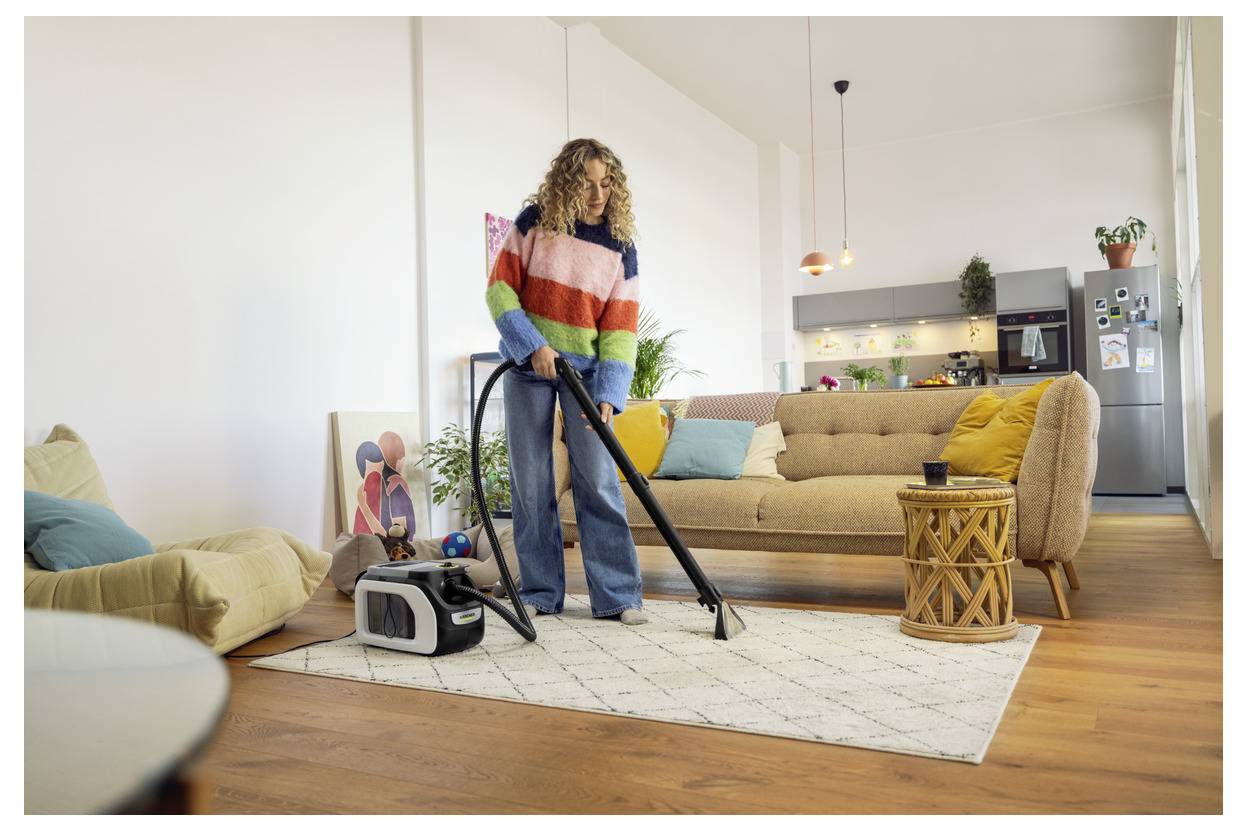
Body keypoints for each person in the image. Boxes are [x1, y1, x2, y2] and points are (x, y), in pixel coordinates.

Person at [485, 138, 647, 625]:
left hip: (589, 376)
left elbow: (621, 327)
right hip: (529, 367)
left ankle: (618, 595)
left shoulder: (621, 247)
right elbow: (499, 288)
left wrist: (610, 394)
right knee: (531, 483)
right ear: (566, 183)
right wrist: (531, 344)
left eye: (606, 183)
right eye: (586, 183)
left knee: (597, 481)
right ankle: (538, 591)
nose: (598, 194)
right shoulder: (536, 222)